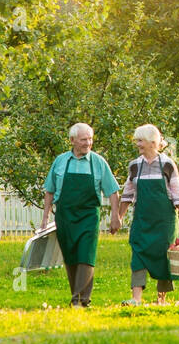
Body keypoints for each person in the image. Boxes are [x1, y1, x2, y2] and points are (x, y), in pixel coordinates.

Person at [112, 124, 179, 306]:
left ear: (152, 142)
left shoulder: (167, 164)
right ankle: (136, 299)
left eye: (140, 140)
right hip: (143, 221)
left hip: (164, 222)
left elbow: (178, 194)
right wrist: (118, 217)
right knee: (138, 256)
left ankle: (161, 299)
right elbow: (127, 195)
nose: (137, 144)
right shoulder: (134, 166)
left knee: (164, 258)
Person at [40, 122, 121, 307]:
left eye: (90, 139)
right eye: (84, 139)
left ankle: (81, 299)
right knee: (71, 256)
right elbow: (49, 191)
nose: (88, 143)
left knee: (86, 254)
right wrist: (45, 218)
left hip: (89, 216)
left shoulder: (99, 162)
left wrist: (116, 216)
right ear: (72, 140)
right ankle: (77, 297)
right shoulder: (60, 161)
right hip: (65, 215)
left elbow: (112, 191)